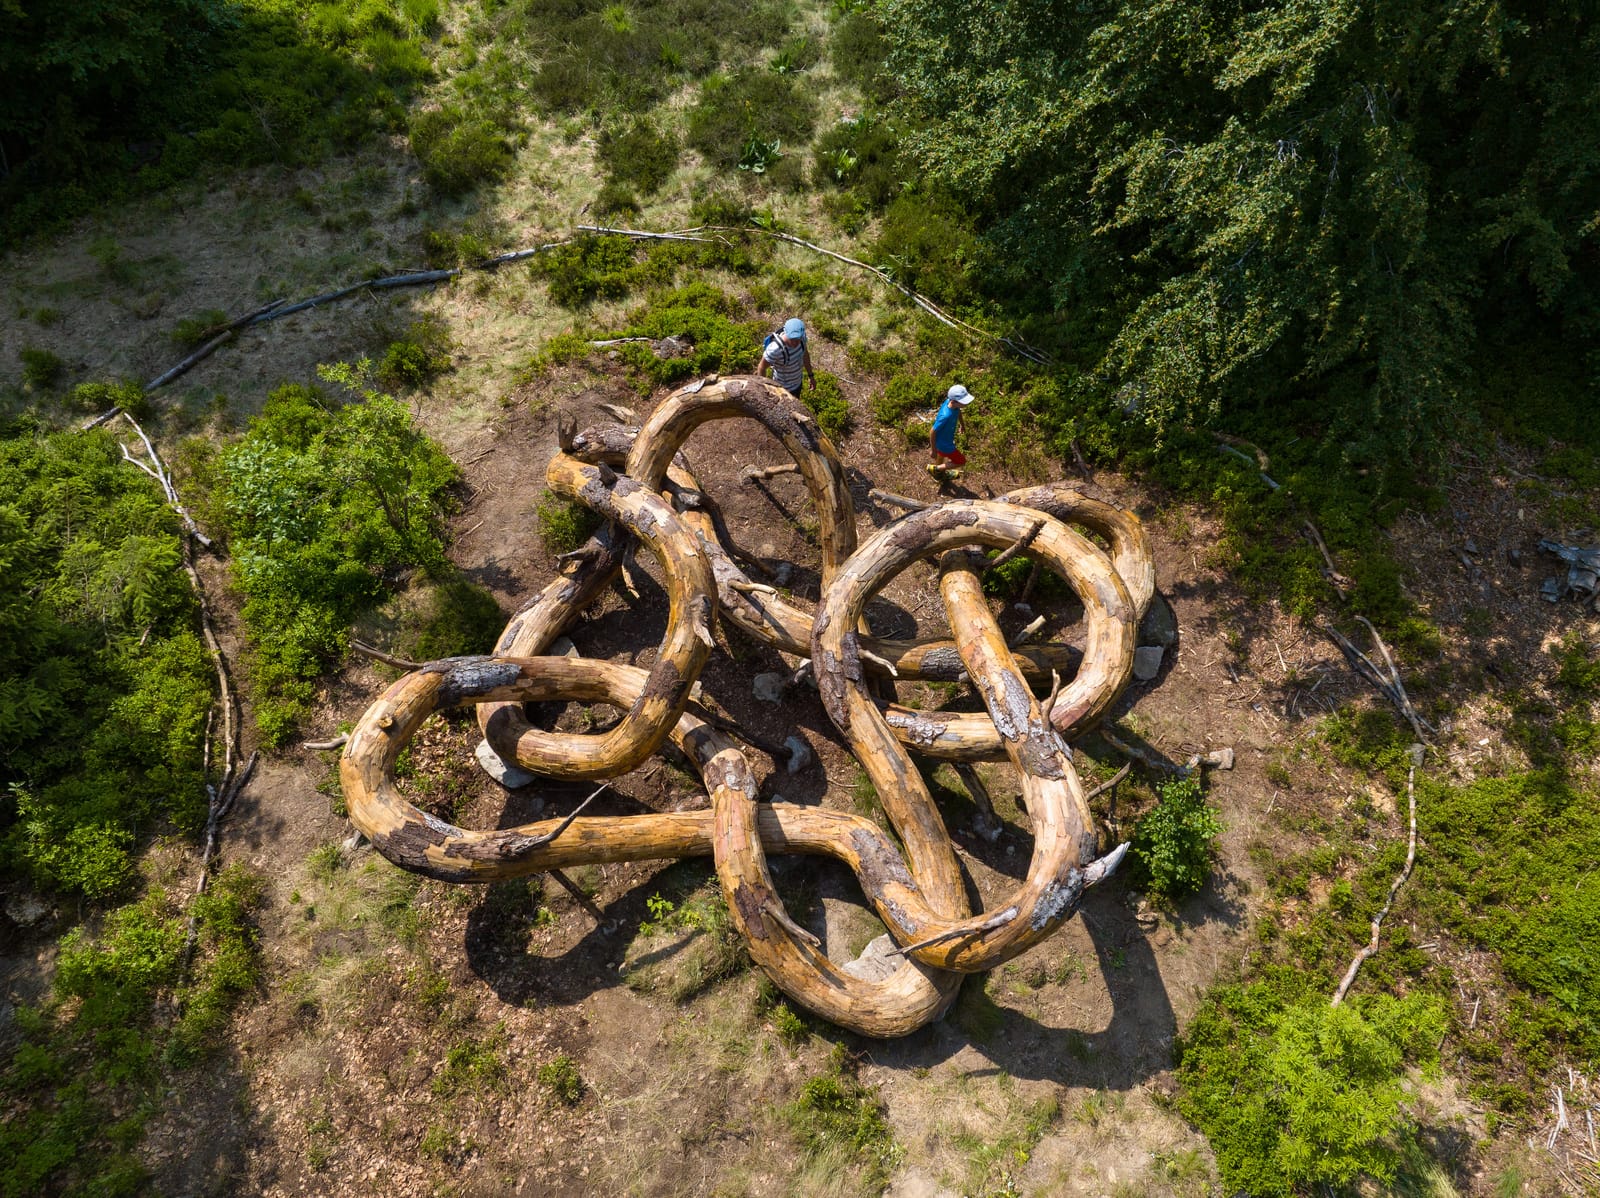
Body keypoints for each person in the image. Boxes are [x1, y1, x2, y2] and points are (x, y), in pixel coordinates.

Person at [759, 317, 815, 398]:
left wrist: (811, 376)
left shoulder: (802, 339)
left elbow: (805, 355)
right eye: (792, 338)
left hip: (797, 384)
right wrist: (764, 389)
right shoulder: (775, 349)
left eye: (797, 339)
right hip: (781, 389)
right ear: (786, 332)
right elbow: (761, 367)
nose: (795, 342)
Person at [928, 383, 974, 478]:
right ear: (954, 401)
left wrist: (962, 424)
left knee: (940, 455)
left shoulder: (951, 403)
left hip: (943, 441)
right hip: (945, 445)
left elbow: (958, 412)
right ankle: (936, 470)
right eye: (964, 401)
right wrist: (933, 450)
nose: (967, 403)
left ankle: (938, 474)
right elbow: (932, 431)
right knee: (961, 461)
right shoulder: (946, 416)